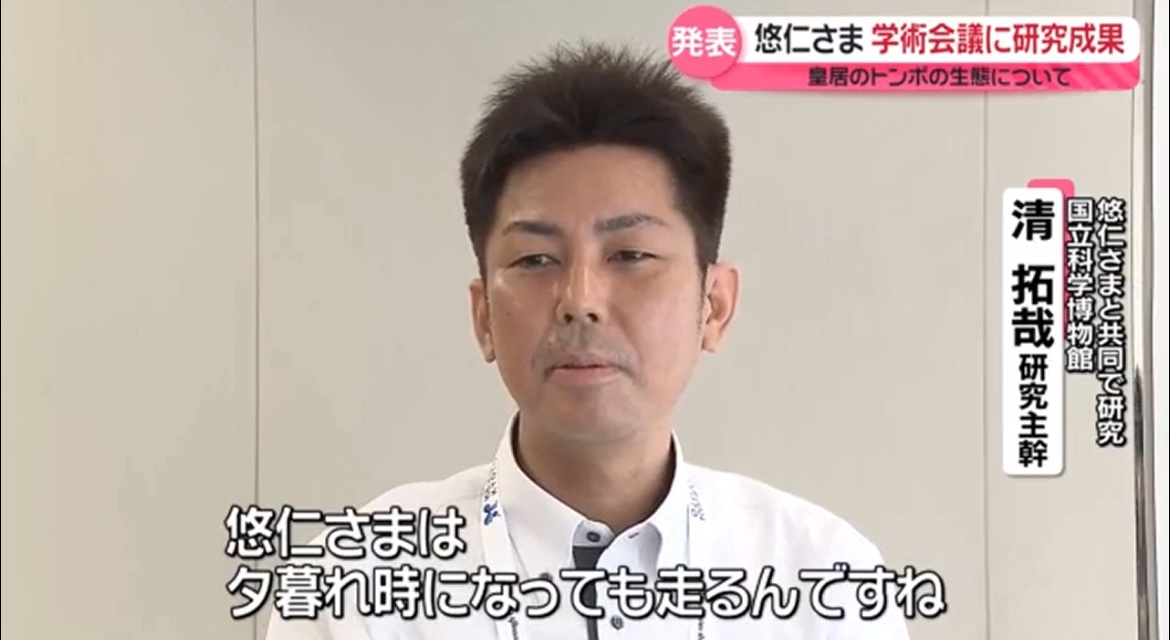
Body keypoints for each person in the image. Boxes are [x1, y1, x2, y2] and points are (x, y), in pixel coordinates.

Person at [264, 41, 912, 640]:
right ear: (484, 316)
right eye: (535, 260)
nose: (580, 300)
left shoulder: (823, 580)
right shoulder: (359, 586)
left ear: (714, 306)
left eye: (630, 255)